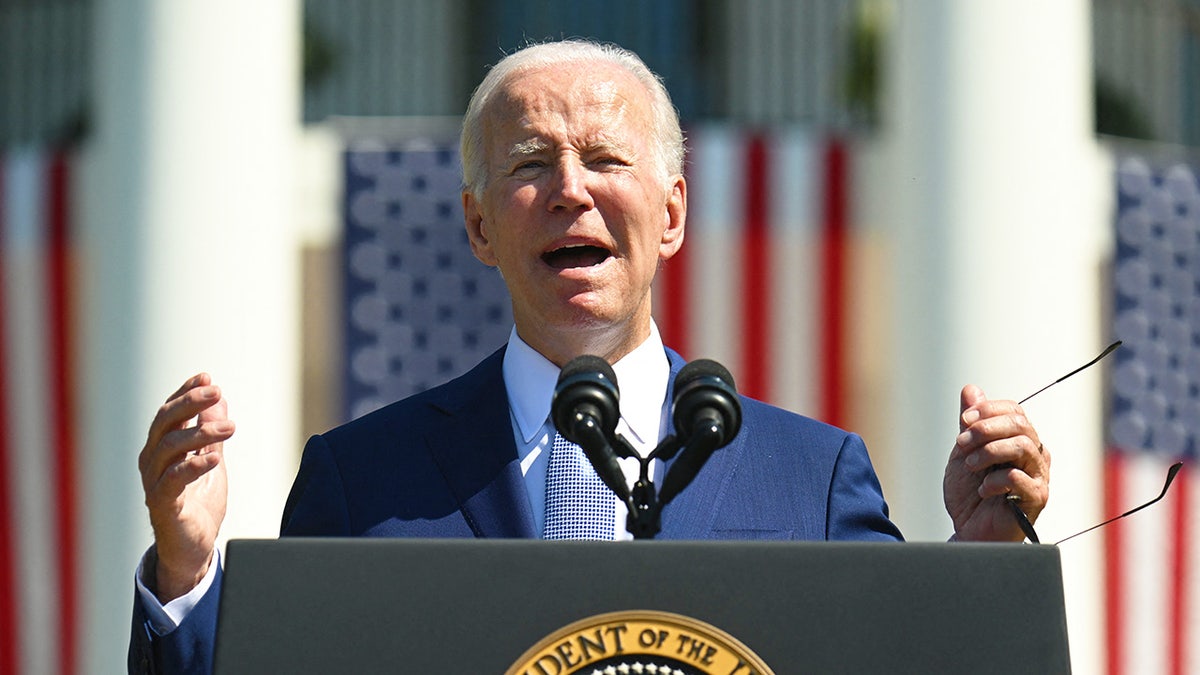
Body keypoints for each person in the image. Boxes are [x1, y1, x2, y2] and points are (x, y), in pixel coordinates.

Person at [128, 39, 1050, 674]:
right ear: (479, 223)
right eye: (530, 163)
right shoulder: (361, 477)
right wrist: (187, 570)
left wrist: (983, 567)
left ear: (675, 211)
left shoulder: (812, 475)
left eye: (605, 157)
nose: (569, 190)